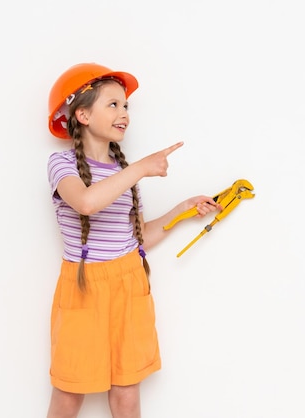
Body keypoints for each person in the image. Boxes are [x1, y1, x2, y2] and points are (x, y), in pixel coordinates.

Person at [45, 62, 221, 418]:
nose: (124, 113)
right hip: (84, 286)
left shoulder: (121, 174)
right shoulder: (61, 165)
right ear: (81, 114)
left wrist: (181, 209)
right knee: (70, 392)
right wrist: (140, 167)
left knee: (126, 392)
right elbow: (86, 202)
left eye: (126, 106)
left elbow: (137, 238)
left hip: (129, 281)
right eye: (113, 105)